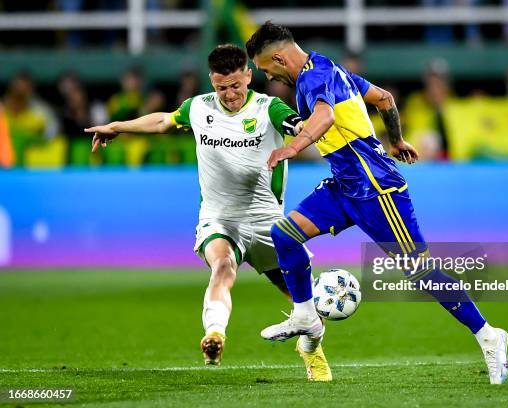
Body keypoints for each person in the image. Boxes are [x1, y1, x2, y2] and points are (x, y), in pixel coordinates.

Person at [246, 21, 508, 385]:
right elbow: (384, 98)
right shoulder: (331, 69)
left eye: (266, 70)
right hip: (345, 186)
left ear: (278, 57)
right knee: (285, 235)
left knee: (420, 271)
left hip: (377, 189)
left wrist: (291, 147)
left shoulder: (312, 79)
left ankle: (489, 336)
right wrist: (397, 140)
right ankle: (306, 316)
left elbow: (325, 116)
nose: (270, 78)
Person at [84, 44, 332, 381]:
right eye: (221, 88)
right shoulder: (198, 108)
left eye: (235, 86)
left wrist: (310, 130)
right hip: (219, 218)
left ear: (248, 75)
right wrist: (118, 127)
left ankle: (311, 350)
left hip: (267, 222)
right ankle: (215, 335)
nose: (229, 95)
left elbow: (302, 127)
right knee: (223, 266)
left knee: (302, 299)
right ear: (211, 82)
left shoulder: (268, 107)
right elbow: (163, 121)